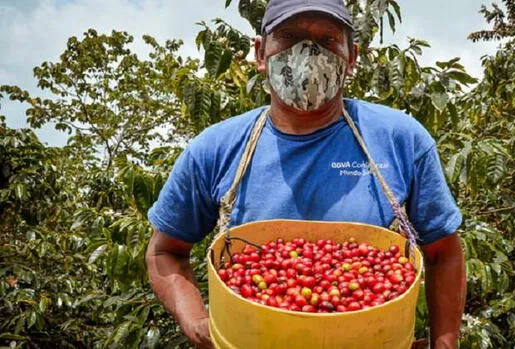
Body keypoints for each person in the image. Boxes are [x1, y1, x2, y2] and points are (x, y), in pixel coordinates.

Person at [145, 0, 466, 348]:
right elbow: (165, 252)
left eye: (327, 40)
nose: (308, 52)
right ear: (260, 52)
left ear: (352, 57)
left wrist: (444, 343)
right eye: (288, 36)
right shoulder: (215, 149)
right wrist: (197, 323)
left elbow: (443, 253)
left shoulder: (400, 139)